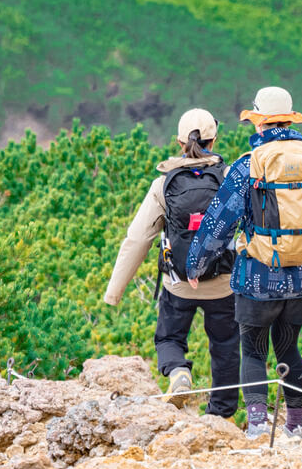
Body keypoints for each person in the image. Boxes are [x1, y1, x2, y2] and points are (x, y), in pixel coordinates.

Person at [186, 86, 302, 440]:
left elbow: (219, 222)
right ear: (290, 121)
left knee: (254, 350)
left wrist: (196, 265)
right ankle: (296, 425)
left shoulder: (248, 166)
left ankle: (258, 425)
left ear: (258, 122)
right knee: (289, 347)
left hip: (257, 279)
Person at [103, 108, 240, 419]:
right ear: (214, 138)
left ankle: (179, 372)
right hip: (223, 284)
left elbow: (138, 239)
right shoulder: (231, 178)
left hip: (178, 284)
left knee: (169, 338)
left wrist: (114, 292)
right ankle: (220, 415)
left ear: (179, 142)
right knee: (226, 345)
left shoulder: (163, 184)